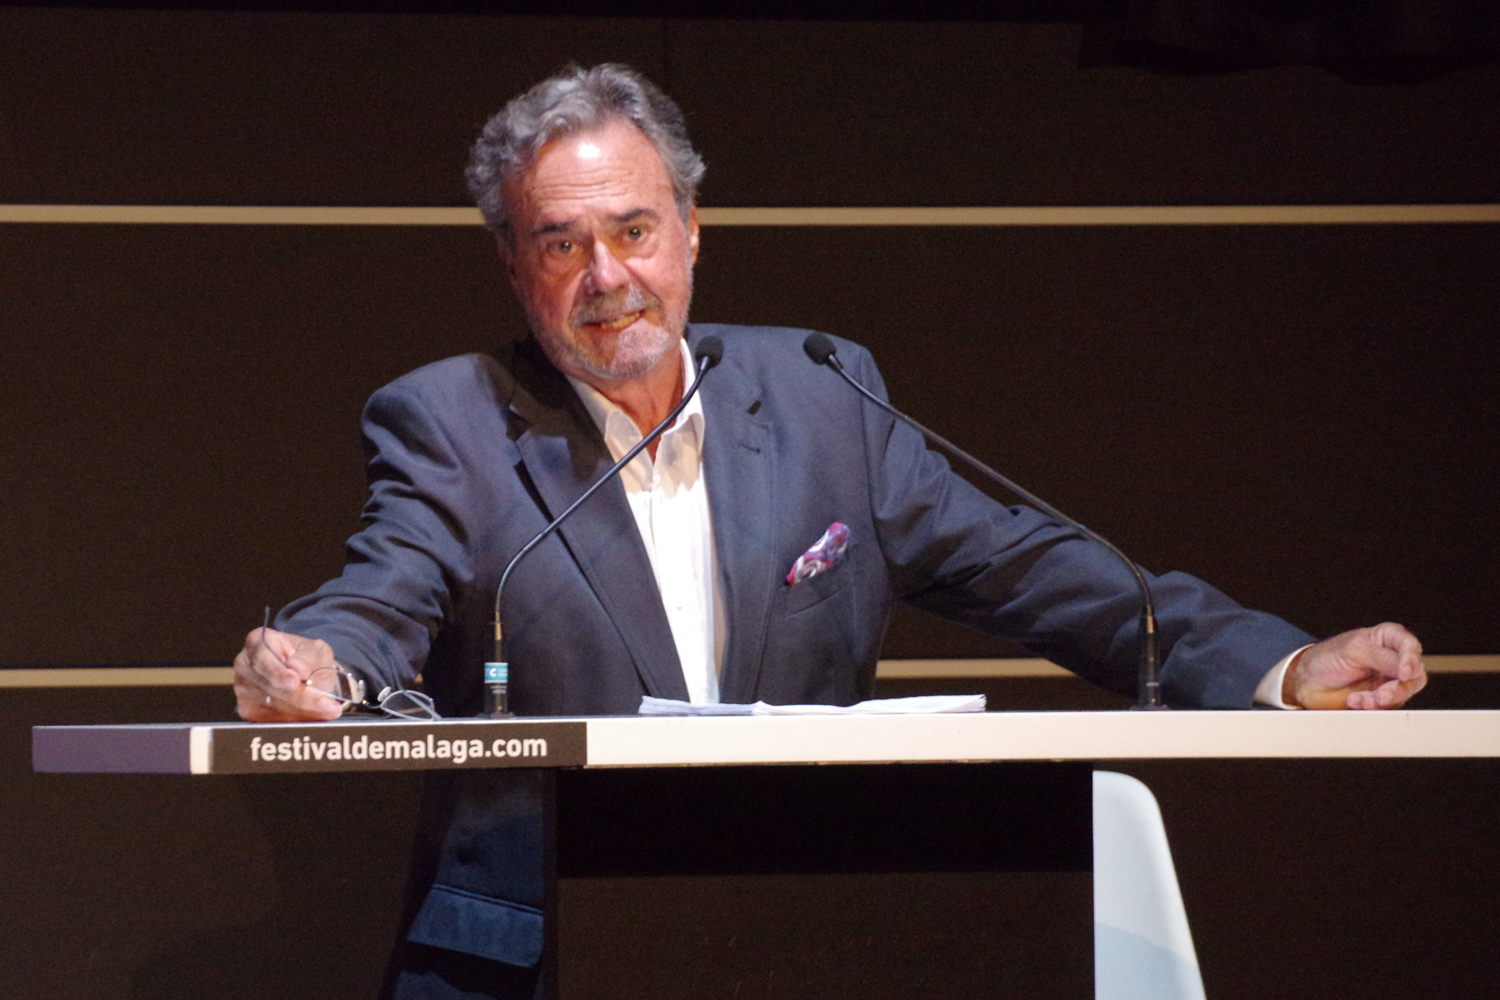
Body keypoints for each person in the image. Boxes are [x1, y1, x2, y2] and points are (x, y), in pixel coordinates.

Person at [231, 64, 1428, 997]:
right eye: (562, 242)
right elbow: (383, 589)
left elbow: (1039, 569)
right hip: (541, 958)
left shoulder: (820, 395)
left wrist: (1276, 663)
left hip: (806, 930)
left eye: (635, 230)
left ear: (691, 229)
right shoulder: (453, 418)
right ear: (513, 264)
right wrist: (320, 665)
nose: (608, 274)